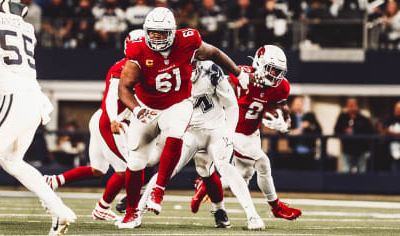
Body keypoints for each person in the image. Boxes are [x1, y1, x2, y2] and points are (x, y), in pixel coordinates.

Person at [116, 7, 260, 229]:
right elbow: (124, 87)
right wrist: (136, 109)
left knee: (197, 153)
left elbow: (216, 58)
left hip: (186, 110)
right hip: (150, 107)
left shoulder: (198, 55)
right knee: (137, 162)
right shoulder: (138, 50)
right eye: (152, 32)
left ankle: (161, 191)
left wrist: (238, 74)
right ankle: (134, 211)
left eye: (161, 33)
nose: (156, 37)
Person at [0, 1, 76, 235]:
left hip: (12, 99)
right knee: (12, 161)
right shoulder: (26, 27)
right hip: (34, 99)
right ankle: (59, 210)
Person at [136, 60, 265, 230]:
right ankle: (136, 213)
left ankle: (253, 216)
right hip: (189, 132)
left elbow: (231, 104)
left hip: (215, 130)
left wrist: (229, 133)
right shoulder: (167, 76)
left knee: (225, 167)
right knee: (169, 172)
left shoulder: (211, 70)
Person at [45, 29, 153, 222]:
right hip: (110, 120)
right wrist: (114, 119)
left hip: (106, 118)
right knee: (127, 169)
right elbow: (113, 95)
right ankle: (103, 208)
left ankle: (53, 181)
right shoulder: (125, 67)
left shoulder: (140, 66)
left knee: (97, 170)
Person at [192, 45, 302, 221]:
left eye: (279, 71)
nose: (275, 75)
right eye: (271, 69)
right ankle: (276, 206)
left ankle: (206, 185)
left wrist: (284, 124)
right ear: (259, 63)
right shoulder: (242, 75)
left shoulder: (281, 87)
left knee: (243, 176)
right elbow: (218, 92)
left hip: (251, 133)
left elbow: (283, 110)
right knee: (263, 162)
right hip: (231, 130)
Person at [334, 97, 374, 173]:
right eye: (349, 105)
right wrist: (344, 130)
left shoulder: (363, 119)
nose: (351, 107)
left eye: (353, 105)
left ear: (357, 106)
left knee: (362, 173)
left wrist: (356, 130)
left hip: (360, 150)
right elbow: (336, 130)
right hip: (347, 150)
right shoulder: (343, 118)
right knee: (346, 173)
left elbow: (369, 132)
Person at [289, 96, 322, 169]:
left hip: (309, 152)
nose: (298, 106)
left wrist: (309, 125)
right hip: (294, 152)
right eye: (296, 104)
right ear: (292, 105)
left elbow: (319, 130)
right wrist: (292, 132)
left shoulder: (310, 116)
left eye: (300, 103)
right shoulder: (289, 117)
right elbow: (280, 131)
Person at [380, 101, 400, 174]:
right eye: (397, 108)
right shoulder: (389, 118)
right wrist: (395, 133)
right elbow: (382, 129)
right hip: (389, 151)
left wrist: (393, 133)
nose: (398, 110)